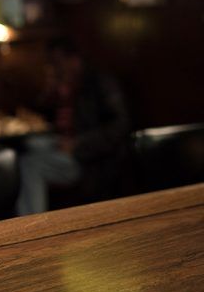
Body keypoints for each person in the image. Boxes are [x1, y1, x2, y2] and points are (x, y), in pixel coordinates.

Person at [15, 38, 129, 215]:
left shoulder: (98, 83)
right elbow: (43, 116)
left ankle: (30, 223)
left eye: (57, 63)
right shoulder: (64, 85)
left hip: (89, 158)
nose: (54, 68)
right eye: (51, 63)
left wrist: (77, 144)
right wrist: (49, 92)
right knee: (29, 144)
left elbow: (119, 127)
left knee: (29, 163)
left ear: (74, 60)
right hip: (63, 142)